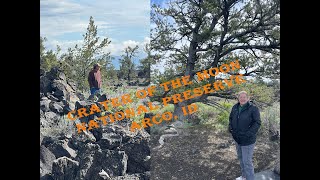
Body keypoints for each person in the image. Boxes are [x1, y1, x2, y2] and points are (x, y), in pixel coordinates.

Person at [229, 91, 261, 180]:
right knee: (241, 158)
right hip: (237, 138)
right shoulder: (235, 107)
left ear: (248, 98)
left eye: (244, 97)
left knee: (247, 161)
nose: (242, 99)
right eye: (240, 97)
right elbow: (231, 119)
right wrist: (230, 128)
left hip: (248, 140)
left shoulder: (253, 108)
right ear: (238, 98)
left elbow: (257, 122)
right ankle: (244, 177)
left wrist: (248, 134)